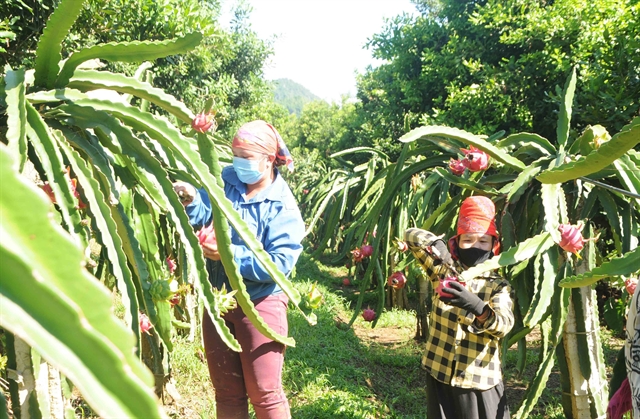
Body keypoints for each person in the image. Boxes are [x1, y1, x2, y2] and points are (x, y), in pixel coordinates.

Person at [174, 120, 304, 419]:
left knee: (265, 393)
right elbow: (206, 212)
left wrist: (228, 254)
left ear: (269, 160)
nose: (238, 163)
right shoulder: (227, 178)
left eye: (246, 157)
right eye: (236, 155)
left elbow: (279, 265)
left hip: (260, 304)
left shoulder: (283, 207)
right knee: (227, 392)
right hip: (218, 298)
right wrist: (193, 199)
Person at [404, 195, 514, 419]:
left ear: (494, 245)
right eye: (468, 240)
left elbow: (504, 325)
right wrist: (437, 245)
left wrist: (478, 307)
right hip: (439, 370)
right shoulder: (443, 269)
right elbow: (410, 235)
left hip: (478, 380)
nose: (475, 246)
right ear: (456, 242)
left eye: (483, 241)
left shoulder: (497, 285)